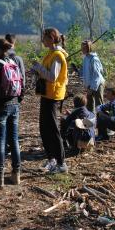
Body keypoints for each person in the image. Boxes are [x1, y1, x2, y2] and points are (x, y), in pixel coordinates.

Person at [32, 28, 69, 174]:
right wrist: (37, 70)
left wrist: (39, 67)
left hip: (53, 97)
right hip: (46, 95)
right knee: (44, 129)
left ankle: (61, 164)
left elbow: (52, 77)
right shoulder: (50, 54)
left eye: (45, 38)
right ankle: (51, 159)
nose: (43, 40)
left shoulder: (58, 56)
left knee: (53, 130)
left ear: (52, 38)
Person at [0, 38, 23, 187]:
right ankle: (16, 175)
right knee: (14, 140)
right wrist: (17, 101)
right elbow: (21, 86)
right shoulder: (13, 63)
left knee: (0, 141)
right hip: (14, 105)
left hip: (0, 107)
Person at [80, 40, 105, 113]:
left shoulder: (94, 59)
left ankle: (101, 121)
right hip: (90, 85)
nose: (82, 49)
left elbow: (96, 75)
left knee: (99, 105)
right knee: (89, 105)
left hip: (97, 84)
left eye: (84, 48)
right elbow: (85, 73)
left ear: (89, 48)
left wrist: (92, 88)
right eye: (82, 47)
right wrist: (87, 86)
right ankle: (91, 122)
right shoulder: (85, 58)